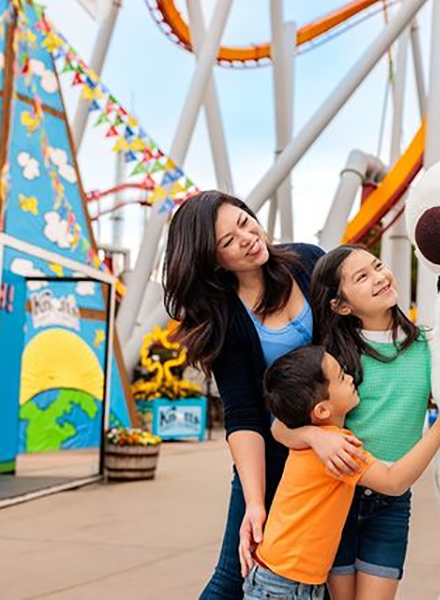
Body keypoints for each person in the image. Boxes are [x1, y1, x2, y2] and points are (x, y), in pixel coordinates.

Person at [162, 191, 359, 599]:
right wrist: (255, 504)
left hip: (342, 445)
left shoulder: (307, 261)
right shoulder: (222, 316)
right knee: (235, 576)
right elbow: (243, 415)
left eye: (244, 222)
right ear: (212, 260)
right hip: (274, 456)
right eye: (227, 242)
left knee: (321, 575)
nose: (248, 237)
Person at [274, 245, 431, 600]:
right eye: (362, 277)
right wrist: (316, 436)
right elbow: (279, 427)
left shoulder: (427, 346)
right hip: (337, 497)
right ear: (340, 305)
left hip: (392, 503)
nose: (379, 277)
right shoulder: (331, 357)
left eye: (377, 266)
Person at [243, 346, 440, 600]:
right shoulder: (337, 448)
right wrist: (439, 431)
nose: (351, 378)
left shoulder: (313, 441)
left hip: (281, 578)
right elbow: (394, 482)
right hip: (282, 587)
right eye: (341, 377)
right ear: (321, 411)